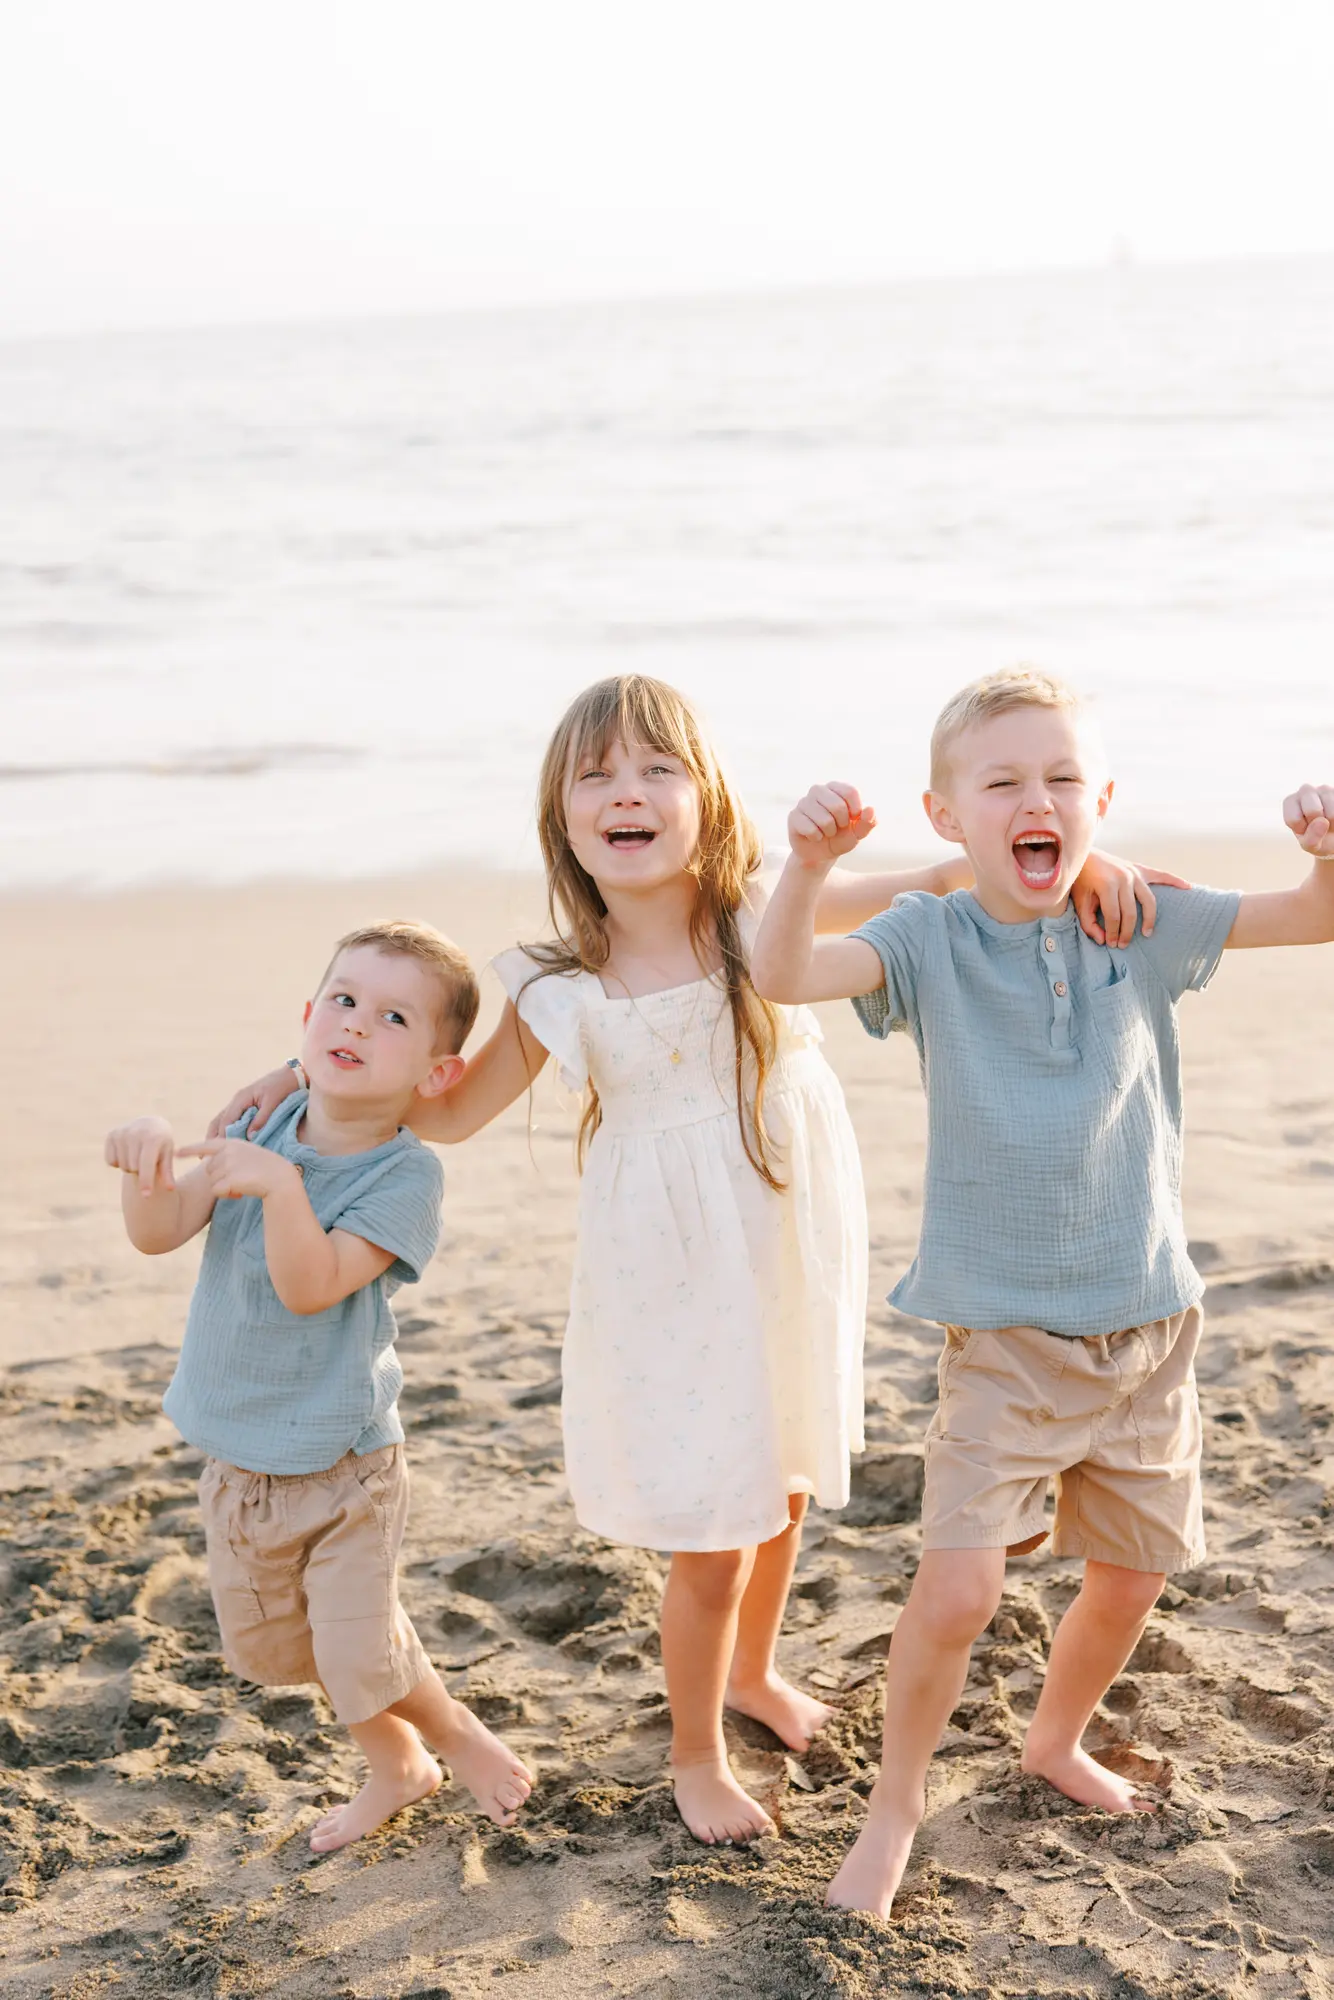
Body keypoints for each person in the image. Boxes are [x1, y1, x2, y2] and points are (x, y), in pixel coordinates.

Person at [210, 674, 1174, 1849]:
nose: (627, 792)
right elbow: (445, 1113)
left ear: (704, 796)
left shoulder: (760, 910)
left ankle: (752, 1673)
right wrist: (292, 1073)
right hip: (665, 1274)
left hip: (786, 1242)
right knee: (712, 1528)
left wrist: (1100, 867)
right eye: (595, 775)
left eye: (654, 768)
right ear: (561, 818)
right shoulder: (548, 980)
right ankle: (695, 1753)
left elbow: (956, 875)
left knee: (778, 1486)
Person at [749, 667, 1334, 1916]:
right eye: (1002, 781)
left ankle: (1051, 1737)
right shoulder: (928, 938)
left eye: (1063, 778)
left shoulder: (1142, 919)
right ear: (944, 814)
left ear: (1101, 800)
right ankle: (895, 1803)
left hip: (1147, 1326)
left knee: (1129, 1574)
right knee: (959, 1588)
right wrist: (806, 863)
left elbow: (1309, 918)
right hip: (1004, 1335)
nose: (1038, 798)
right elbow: (783, 973)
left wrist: (1323, 850)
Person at [105, 919, 534, 1852]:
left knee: (354, 1648)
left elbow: (311, 1287)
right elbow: (159, 1228)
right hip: (241, 1462)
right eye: (342, 1000)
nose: (355, 1023)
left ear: (436, 1073)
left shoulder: (405, 1174)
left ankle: (450, 1741)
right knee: (284, 1656)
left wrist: (277, 1188)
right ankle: (401, 1761)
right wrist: (146, 1159)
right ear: (306, 1018)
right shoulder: (264, 1120)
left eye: (391, 1017)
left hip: (346, 1464)